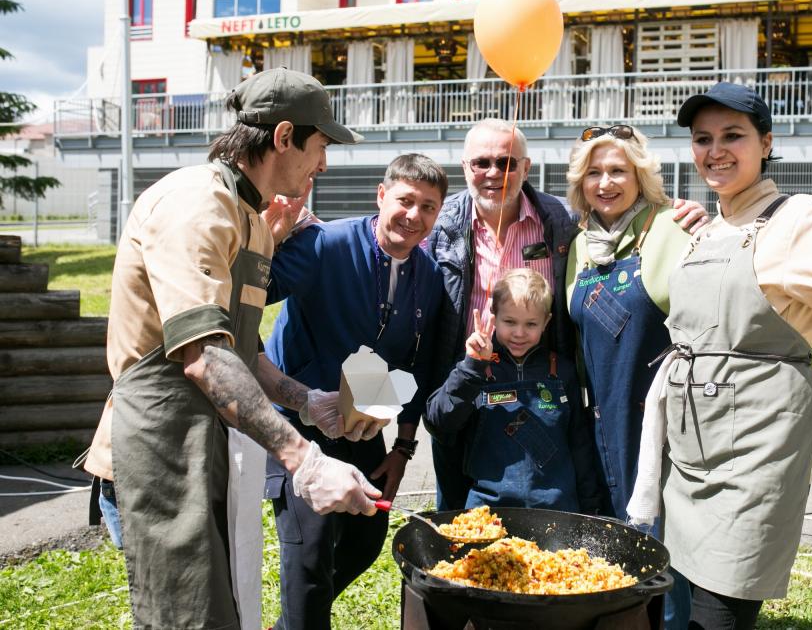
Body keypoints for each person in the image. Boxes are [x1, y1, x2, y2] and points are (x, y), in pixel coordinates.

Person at [81, 67, 383, 629]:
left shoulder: (254, 219)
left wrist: (304, 399)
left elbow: (241, 348)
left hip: (212, 451)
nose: (324, 164)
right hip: (158, 454)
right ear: (285, 136)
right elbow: (204, 354)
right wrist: (303, 459)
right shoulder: (195, 205)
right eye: (321, 146)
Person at [628, 82, 812, 630]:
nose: (716, 150)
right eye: (703, 138)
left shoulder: (799, 218)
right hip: (689, 453)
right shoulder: (708, 227)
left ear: (766, 143)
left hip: (753, 455)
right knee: (686, 605)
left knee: (719, 616)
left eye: (733, 135)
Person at [424, 118, 708, 510]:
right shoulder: (438, 227)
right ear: (464, 167)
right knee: (463, 515)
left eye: (506, 163)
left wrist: (695, 215)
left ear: (526, 168)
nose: (494, 173)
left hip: (550, 391)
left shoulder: (561, 222)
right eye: (481, 163)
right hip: (470, 390)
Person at [262, 153, 448, 630]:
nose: (414, 216)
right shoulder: (326, 244)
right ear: (381, 196)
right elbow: (254, 292)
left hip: (364, 425)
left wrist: (403, 447)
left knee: (367, 538)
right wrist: (268, 238)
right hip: (299, 420)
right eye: (405, 200)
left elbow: (414, 362)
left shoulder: (427, 274)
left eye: (429, 207)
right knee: (310, 557)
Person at [563, 123, 694, 627]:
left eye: (618, 170)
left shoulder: (673, 226)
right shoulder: (579, 244)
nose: (606, 182)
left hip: (657, 417)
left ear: (640, 175)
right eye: (594, 172)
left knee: (665, 541)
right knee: (616, 534)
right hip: (600, 414)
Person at [425, 268, 601, 513]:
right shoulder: (472, 368)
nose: (519, 333)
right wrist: (472, 367)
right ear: (493, 316)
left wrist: (592, 510)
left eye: (531, 324)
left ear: (547, 322)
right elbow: (438, 422)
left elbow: (580, 447)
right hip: (486, 513)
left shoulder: (563, 371)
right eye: (509, 322)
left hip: (556, 512)